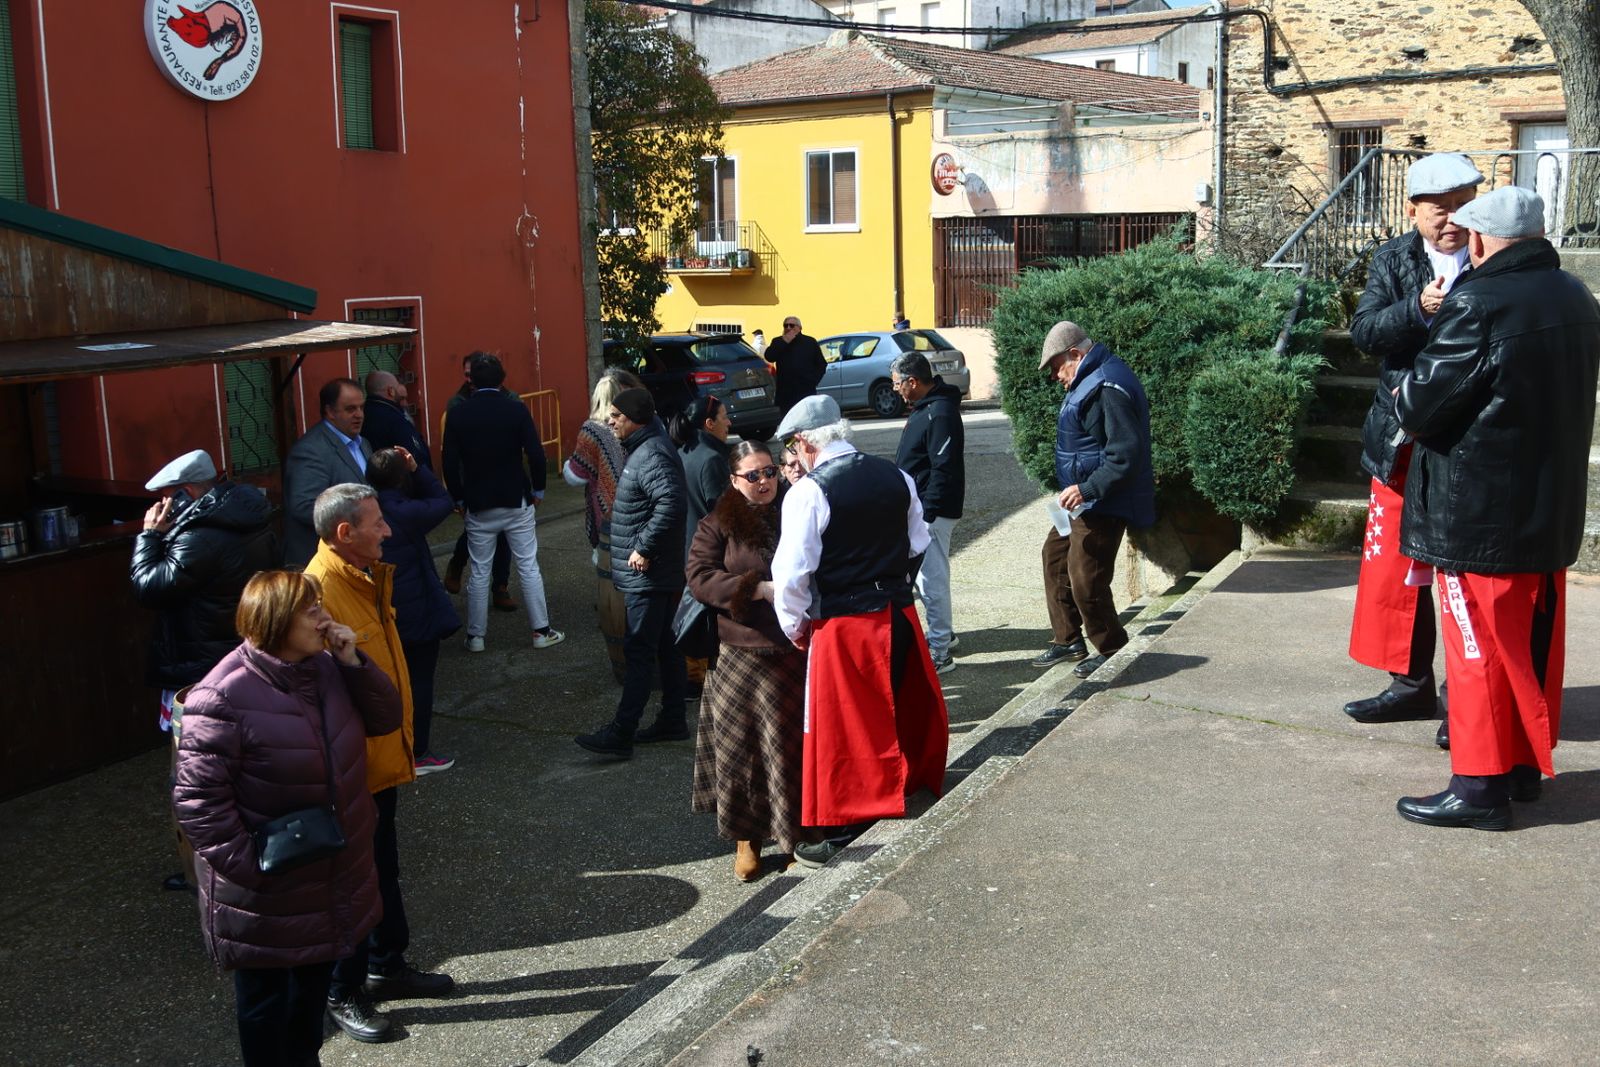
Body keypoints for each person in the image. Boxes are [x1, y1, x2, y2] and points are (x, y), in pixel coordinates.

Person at [1392, 186, 1600, 831]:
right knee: (1525, 644)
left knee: (1476, 649)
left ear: (1480, 240)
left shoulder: (1478, 301)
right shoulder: (1576, 296)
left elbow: (1419, 407)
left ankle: (1479, 788)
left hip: (1477, 509)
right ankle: (1517, 769)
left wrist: (1402, 391)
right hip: (1544, 505)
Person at [173, 570, 402, 1067]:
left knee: (308, 1007)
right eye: (312, 609)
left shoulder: (322, 666)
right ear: (276, 621)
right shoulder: (222, 697)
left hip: (328, 870)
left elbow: (386, 718)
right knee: (268, 1011)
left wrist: (353, 662)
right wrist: (256, 871)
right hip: (269, 893)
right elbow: (198, 805)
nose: (325, 617)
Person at [770, 395, 949, 868]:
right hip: (897, 615)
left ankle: (847, 824)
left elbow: (791, 575)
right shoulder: (898, 476)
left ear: (806, 443)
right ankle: (897, 792)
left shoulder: (806, 494)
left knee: (845, 730)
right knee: (893, 712)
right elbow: (918, 542)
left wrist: (795, 626)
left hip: (843, 624)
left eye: (793, 445)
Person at [305, 484, 455, 1043]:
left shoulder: (363, 576)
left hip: (380, 759)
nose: (388, 530)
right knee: (350, 882)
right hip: (348, 772)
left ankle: (386, 963)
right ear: (345, 534)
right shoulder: (316, 595)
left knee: (381, 869)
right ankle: (342, 990)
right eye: (377, 523)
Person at [1345, 153, 1484, 739]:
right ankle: (1410, 686)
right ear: (1414, 211)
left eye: (1462, 205)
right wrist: (1416, 308)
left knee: (1461, 577)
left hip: (1464, 443)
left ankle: (1466, 702)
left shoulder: (1492, 256)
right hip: (1400, 436)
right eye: (1439, 208)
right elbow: (1364, 334)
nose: (1451, 219)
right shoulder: (1393, 258)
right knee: (1395, 572)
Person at [131, 448, 276, 892]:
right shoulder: (247, 512)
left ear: (186, 492)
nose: (164, 507)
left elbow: (150, 587)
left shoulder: (198, 536)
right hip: (234, 655)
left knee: (197, 772)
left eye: (169, 498)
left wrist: (150, 537)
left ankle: (207, 865)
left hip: (195, 665)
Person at [687, 441, 819, 881]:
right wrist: (754, 588)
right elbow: (699, 577)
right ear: (733, 480)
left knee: (790, 750)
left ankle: (796, 835)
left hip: (793, 648)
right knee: (743, 753)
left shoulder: (798, 507)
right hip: (742, 652)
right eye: (753, 476)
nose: (764, 482)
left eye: (769, 473)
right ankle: (748, 839)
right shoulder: (717, 522)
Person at [1032, 321, 1155, 678]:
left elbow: (1125, 455)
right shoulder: (1091, 379)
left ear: (1076, 354)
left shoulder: (1106, 386)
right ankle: (1068, 638)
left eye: (1057, 367)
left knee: (1086, 576)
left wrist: (1086, 489)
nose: (1056, 376)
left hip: (1103, 501)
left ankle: (1113, 648)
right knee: (1055, 558)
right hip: (1085, 501)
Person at [574, 387, 690, 758]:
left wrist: (643, 548)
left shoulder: (651, 451)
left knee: (640, 649)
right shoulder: (646, 445)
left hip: (650, 571)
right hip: (656, 570)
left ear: (635, 419)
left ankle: (622, 733)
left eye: (617, 416)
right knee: (665, 646)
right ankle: (673, 719)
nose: (610, 421)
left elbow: (671, 502)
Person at [441, 352, 564, 653]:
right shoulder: (516, 410)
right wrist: (539, 489)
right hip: (516, 499)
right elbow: (536, 454)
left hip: (478, 502)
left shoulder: (458, 414)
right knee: (528, 566)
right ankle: (540, 631)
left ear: (471, 380)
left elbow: (448, 460)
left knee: (480, 570)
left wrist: (457, 497)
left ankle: (476, 636)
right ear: (501, 380)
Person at [368, 448, 461, 775]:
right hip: (414, 607)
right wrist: (417, 468)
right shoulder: (405, 511)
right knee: (419, 680)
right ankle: (418, 751)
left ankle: (393, 745)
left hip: (383, 607)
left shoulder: (367, 510)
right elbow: (443, 501)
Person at [564, 369, 644, 683]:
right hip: (635, 507)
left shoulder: (592, 429)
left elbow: (574, 475)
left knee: (609, 568)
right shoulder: (633, 424)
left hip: (607, 515)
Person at [891, 352, 965, 674]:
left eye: (897, 384)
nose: (896, 390)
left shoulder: (940, 412)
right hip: (921, 508)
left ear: (913, 381)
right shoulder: (927, 409)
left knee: (931, 580)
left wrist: (928, 513)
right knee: (926, 579)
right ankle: (944, 636)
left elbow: (943, 467)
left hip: (931, 511)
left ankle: (940, 652)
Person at [442, 353, 515, 612]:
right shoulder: (458, 403)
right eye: (466, 374)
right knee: (476, 531)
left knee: (504, 533)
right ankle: (458, 563)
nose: (469, 379)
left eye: (472, 374)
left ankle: (501, 587)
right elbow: (452, 453)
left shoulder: (509, 399)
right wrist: (457, 492)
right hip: (471, 480)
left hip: (504, 481)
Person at [282, 378, 372, 566]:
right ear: (330, 411)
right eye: (350, 409)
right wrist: (356, 522)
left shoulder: (363, 443)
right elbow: (305, 506)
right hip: (324, 562)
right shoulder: (310, 450)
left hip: (357, 557)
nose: (359, 415)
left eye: (361, 408)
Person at [673, 394, 734, 546]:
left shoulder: (682, 452)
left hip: (687, 546)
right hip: (707, 550)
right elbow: (723, 514)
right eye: (724, 417)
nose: (729, 423)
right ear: (710, 423)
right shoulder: (712, 459)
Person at [361, 370, 432, 469]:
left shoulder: (366, 413)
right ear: (391, 391)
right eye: (397, 387)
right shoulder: (393, 418)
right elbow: (413, 454)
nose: (405, 404)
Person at [765, 316, 826, 415]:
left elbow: (821, 364)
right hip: (785, 392)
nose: (788, 328)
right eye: (786, 325)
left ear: (799, 328)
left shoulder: (810, 342)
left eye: (792, 325)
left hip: (805, 390)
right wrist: (784, 342)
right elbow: (769, 357)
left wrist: (813, 381)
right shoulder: (778, 341)